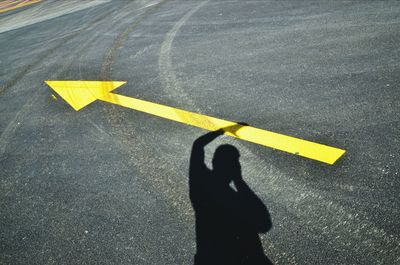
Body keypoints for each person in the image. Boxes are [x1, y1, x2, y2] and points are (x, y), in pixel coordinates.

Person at [189, 124, 273, 265]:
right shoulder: (236, 198)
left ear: (215, 161)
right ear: (235, 168)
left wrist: (222, 131)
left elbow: (198, 145)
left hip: (208, 258)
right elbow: (265, 224)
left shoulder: (200, 184)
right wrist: (239, 181)